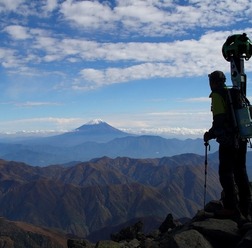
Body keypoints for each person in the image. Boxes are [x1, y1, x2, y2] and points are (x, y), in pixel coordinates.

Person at [204, 70, 251, 221]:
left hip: (229, 141)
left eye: (211, 81)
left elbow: (219, 120)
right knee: (240, 171)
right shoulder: (234, 93)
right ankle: (246, 205)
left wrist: (209, 134)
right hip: (242, 138)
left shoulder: (218, 96)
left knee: (225, 172)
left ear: (214, 82)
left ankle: (231, 207)